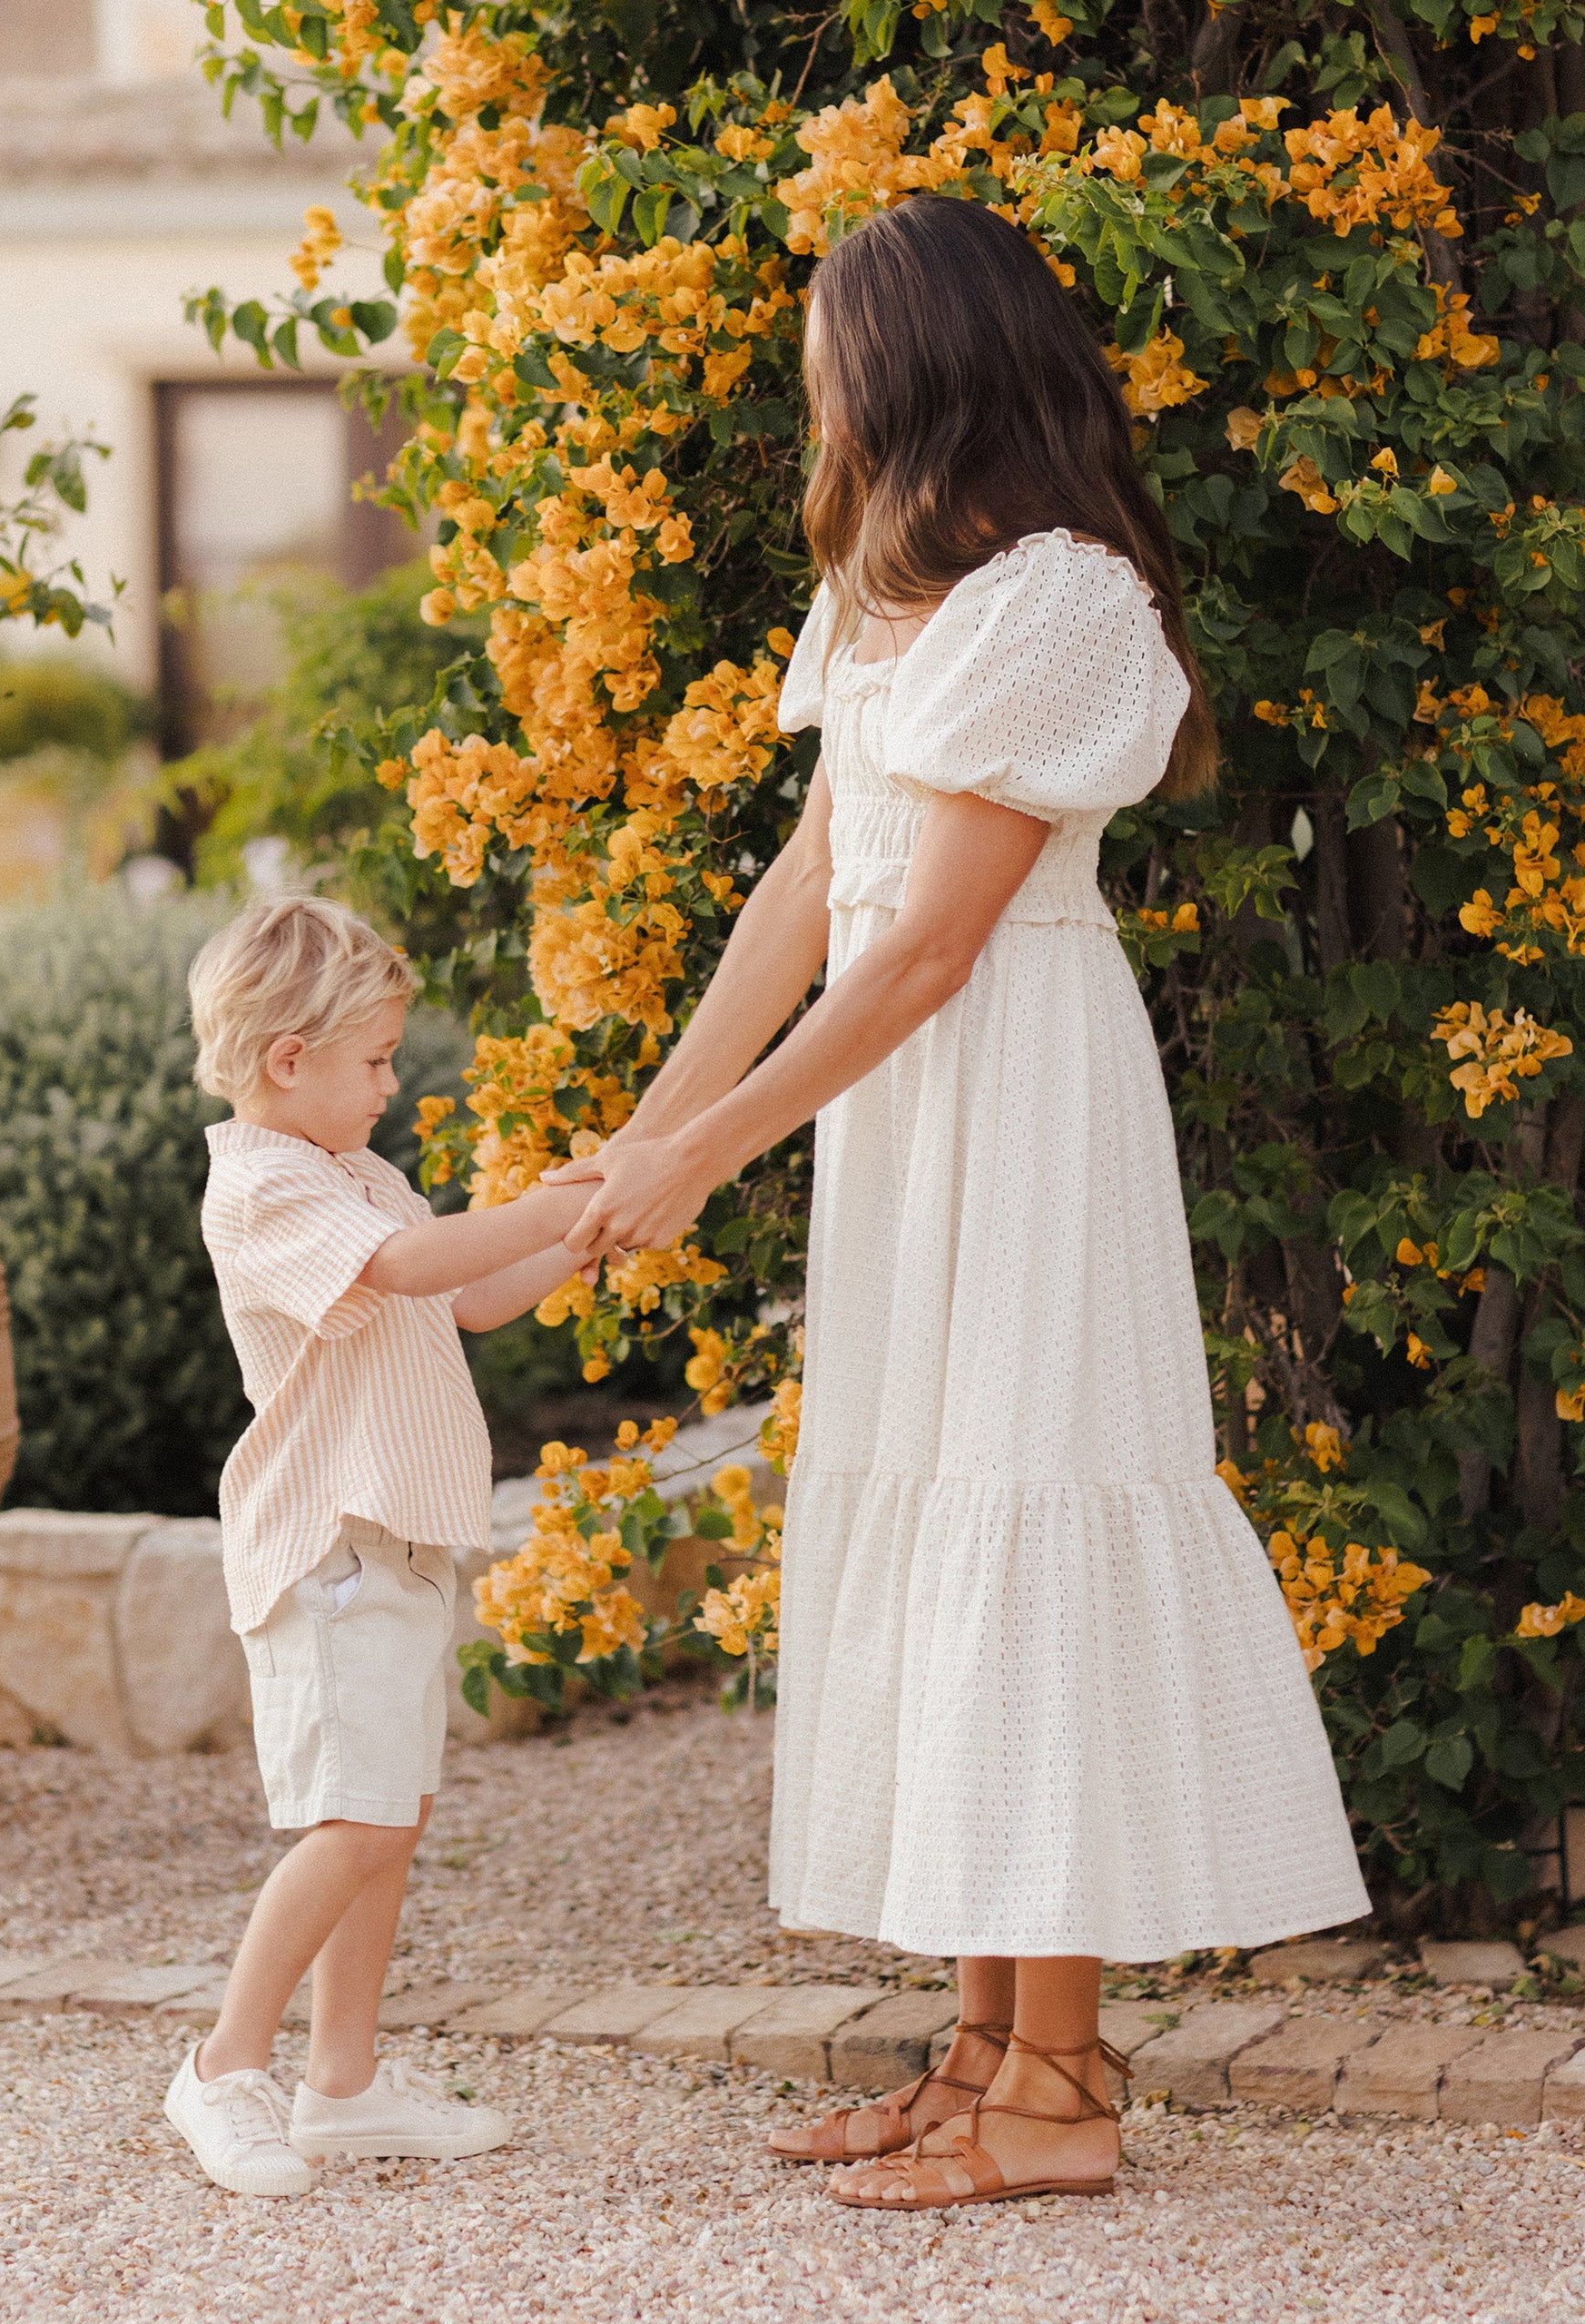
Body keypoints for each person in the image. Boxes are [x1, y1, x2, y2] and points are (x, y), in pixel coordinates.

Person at [546, 194, 1369, 2211]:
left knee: (1029, 1494)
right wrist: (638, 1136)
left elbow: (925, 949)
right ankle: (987, 2043)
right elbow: (807, 888)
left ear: (907, 360)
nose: (809, 391)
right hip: (901, 1117)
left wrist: (708, 1151)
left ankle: (1068, 2087)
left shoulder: (1066, 596)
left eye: (831, 353)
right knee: (937, 1508)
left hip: (1011, 1092)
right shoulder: (882, 590)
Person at [169, 895, 601, 2198]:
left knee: (388, 1821)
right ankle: (223, 2069)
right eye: (373, 1061)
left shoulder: (356, 1175)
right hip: (332, 1554)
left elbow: (465, 1295)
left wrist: (577, 1229)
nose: (392, 1083)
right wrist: (547, 1202)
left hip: (401, 1550)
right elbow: (414, 1269)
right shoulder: (260, 1184)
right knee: (348, 1824)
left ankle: (342, 2087)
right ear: (286, 1062)